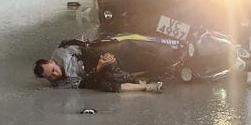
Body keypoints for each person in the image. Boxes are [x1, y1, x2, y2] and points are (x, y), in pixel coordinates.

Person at [33, 40, 163, 93]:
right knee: (106, 81)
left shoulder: (60, 53)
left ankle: (157, 56)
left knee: (123, 49)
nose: (55, 75)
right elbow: (86, 82)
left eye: (53, 70)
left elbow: (84, 48)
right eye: (50, 76)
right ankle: (144, 84)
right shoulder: (61, 84)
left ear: (52, 62)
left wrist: (101, 57)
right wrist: (99, 67)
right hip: (93, 74)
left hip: (92, 58)